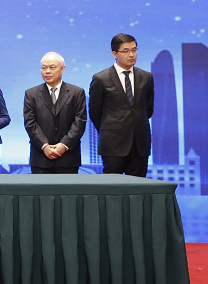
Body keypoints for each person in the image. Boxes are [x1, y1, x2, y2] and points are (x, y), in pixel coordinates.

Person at [88, 33, 154, 177]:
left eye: (134, 50)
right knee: (113, 186)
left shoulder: (146, 77)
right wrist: (112, 129)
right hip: (112, 143)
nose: (131, 54)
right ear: (114, 54)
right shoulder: (101, 79)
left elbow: (148, 109)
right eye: (126, 51)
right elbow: (94, 112)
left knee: (139, 186)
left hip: (140, 144)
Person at [23, 52, 87, 174]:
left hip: (68, 158)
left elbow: (80, 122)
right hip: (41, 159)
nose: (47, 71)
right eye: (44, 67)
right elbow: (30, 123)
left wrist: (64, 145)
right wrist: (45, 146)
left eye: (52, 67)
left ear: (63, 69)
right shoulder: (31, 94)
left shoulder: (76, 93)